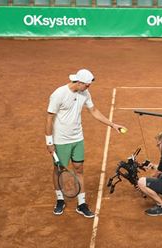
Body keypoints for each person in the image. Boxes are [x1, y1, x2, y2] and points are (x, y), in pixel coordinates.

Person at [45, 69, 126, 218]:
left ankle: (81, 204)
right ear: (79, 82)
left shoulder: (84, 93)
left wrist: (112, 124)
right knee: (59, 170)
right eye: (87, 85)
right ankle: (60, 199)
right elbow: (50, 117)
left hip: (78, 138)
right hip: (61, 140)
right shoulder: (59, 94)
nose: (88, 88)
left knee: (79, 169)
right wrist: (49, 141)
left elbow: (93, 110)